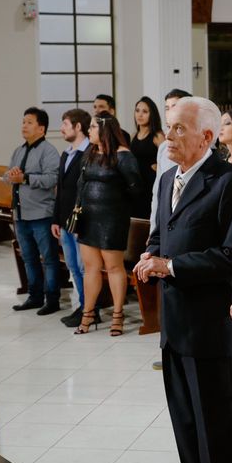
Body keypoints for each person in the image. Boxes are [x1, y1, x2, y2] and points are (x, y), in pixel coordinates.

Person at [134, 96, 232, 463]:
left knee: (216, 433)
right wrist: (150, 255)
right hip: (173, 325)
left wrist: (170, 266)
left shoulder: (230, 182)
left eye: (178, 129)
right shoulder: (168, 178)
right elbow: (162, 234)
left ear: (206, 137)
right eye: (169, 126)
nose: (168, 136)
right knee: (185, 427)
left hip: (210, 327)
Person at [73, 112, 142, 336]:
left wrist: (117, 205)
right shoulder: (90, 153)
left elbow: (137, 188)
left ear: (104, 129)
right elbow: (80, 184)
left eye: (92, 127)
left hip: (112, 219)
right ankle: (88, 313)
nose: (89, 131)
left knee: (113, 267)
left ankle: (118, 314)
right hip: (88, 218)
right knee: (90, 268)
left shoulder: (123, 156)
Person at [4, 107, 61, 315]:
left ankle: (52, 299)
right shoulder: (19, 151)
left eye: (29, 122)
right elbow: (7, 176)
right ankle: (34, 296)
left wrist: (26, 178)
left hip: (41, 215)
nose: (24, 126)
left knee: (49, 258)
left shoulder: (49, 151)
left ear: (41, 128)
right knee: (28, 257)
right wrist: (11, 175)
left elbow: (52, 179)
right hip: (20, 214)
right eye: (23, 122)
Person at [51, 108, 97, 328]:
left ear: (79, 127)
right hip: (65, 221)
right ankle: (82, 305)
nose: (61, 128)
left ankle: (91, 308)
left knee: (84, 266)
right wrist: (56, 219)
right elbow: (60, 189)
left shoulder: (90, 152)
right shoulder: (66, 153)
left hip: (81, 222)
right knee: (73, 266)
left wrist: (82, 221)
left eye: (65, 124)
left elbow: (87, 190)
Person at [150, 88, 192, 234]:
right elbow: (157, 192)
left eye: (174, 107)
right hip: (165, 222)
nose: (169, 111)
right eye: (167, 108)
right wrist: (153, 229)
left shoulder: (199, 145)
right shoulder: (163, 148)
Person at [130, 96, 165, 219]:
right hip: (135, 185)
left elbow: (168, 161)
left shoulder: (158, 136)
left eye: (145, 112)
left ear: (152, 114)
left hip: (151, 185)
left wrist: (159, 166)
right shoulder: (133, 135)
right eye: (137, 110)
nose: (140, 115)